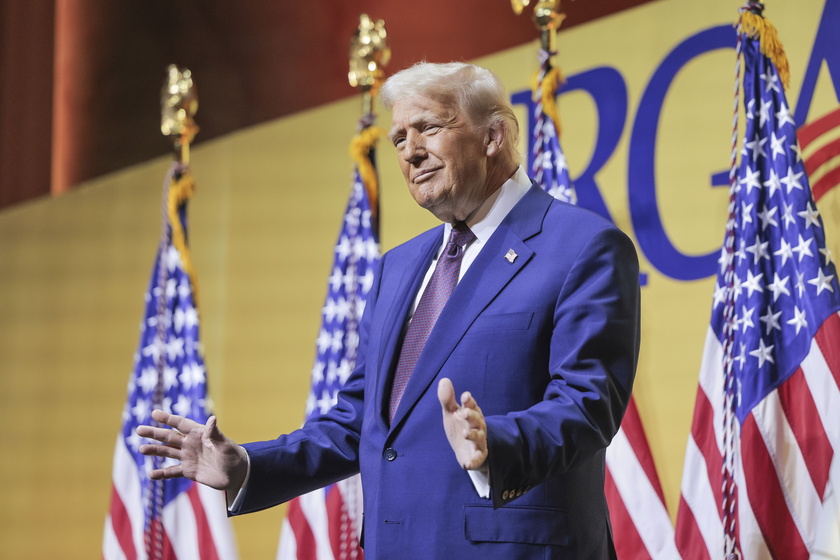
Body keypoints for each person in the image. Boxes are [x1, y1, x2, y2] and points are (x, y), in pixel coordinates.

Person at [138, 62, 640, 559]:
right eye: (399, 139)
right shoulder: (398, 269)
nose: (411, 151)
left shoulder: (583, 247)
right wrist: (248, 466)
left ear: (494, 136)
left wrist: (496, 444)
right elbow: (360, 421)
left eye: (429, 128)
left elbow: (586, 404)